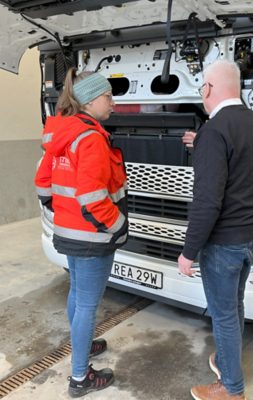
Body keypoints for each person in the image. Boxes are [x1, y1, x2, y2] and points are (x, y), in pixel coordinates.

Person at [178, 59, 253, 400]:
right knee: (235, 305)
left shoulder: (214, 131)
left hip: (223, 243)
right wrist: (201, 145)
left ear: (208, 89)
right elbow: (241, 168)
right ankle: (228, 362)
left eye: (203, 85)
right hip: (250, 235)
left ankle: (231, 389)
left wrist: (188, 252)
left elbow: (207, 202)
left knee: (223, 315)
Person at [35, 68, 128, 398]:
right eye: (108, 97)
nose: (112, 104)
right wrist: (118, 227)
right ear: (90, 100)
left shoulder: (62, 134)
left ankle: (83, 345)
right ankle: (80, 378)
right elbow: (92, 196)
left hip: (69, 232)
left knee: (77, 293)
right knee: (88, 304)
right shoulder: (90, 138)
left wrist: (62, 214)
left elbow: (43, 184)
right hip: (94, 236)